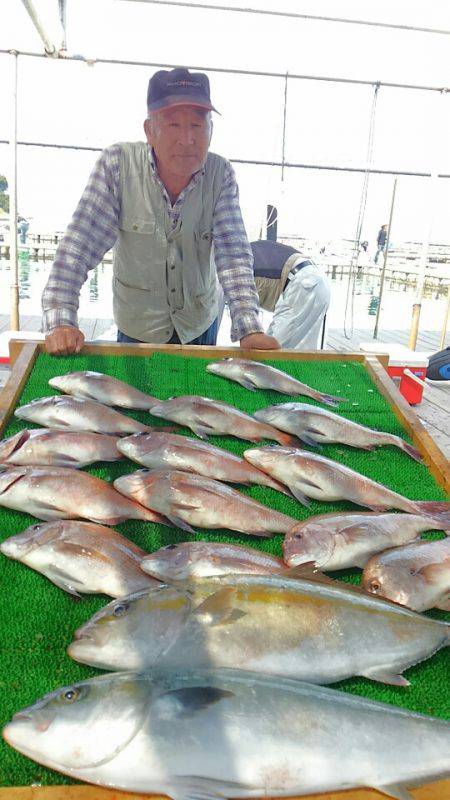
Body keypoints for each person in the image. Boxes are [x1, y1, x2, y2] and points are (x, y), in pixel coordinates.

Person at [42, 67, 280, 355]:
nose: (186, 139)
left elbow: (234, 256)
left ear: (211, 131)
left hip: (199, 326)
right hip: (137, 331)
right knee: (136, 399)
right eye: (172, 125)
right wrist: (61, 318)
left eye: (196, 125)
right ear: (149, 131)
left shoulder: (221, 175)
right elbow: (79, 247)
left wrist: (249, 327)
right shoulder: (117, 165)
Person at [250, 239, 330, 350]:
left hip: (302, 285)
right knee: (298, 353)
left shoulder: (228, 270)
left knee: (275, 354)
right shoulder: (244, 251)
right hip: (314, 281)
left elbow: (217, 312)